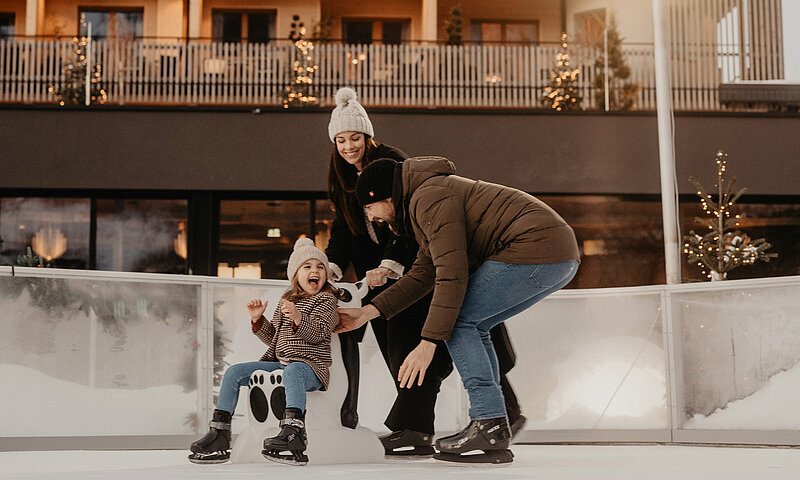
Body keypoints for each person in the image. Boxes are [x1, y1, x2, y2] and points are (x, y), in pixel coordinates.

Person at [336, 157, 580, 465]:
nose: (371, 218)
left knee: (461, 322)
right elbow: (423, 274)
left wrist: (428, 343)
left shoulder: (429, 197)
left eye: (369, 209)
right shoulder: (424, 201)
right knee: (472, 324)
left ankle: (489, 422)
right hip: (554, 254)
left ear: (382, 196)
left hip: (534, 247)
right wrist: (367, 312)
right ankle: (493, 424)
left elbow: (451, 274)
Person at [324, 87, 453, 456]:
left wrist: (390, 263)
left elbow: (410, 220)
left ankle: (411, 427)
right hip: (374, 283)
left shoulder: (393, 164)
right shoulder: (341, 177)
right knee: (395, 354)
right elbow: (343, 228)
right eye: (342, 140)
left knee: (407, 350)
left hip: (410, 273)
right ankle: (415, 428)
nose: (349, 147)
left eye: (355, 138)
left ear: (368, 136)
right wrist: (332, 264)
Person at [189, 237, 341, 466]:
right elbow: (276, 339)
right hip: (281, 364)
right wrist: (258, 320)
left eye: (320, 267)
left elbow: (319, 332)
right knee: (234, 372)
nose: (315, 271)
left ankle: (294, 432)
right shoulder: (286, 300)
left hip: (310, 368)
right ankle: (220, 432)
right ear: (295, 274)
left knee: (292, 371)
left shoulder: (326, 301)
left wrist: (299, 317)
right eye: (307, 266)